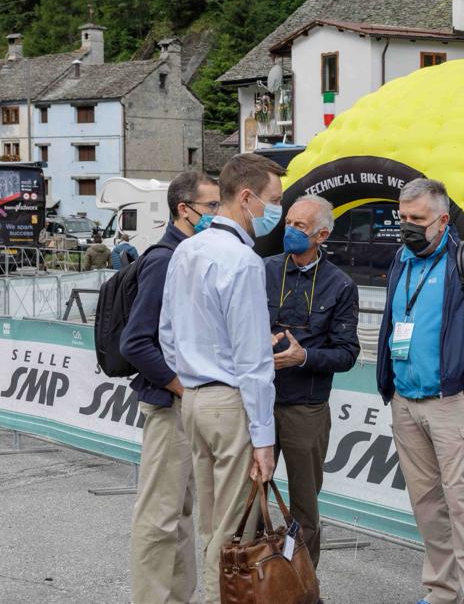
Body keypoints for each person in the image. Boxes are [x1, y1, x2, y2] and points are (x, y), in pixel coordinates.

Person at [376, 178, 464, 604]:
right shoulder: (401, 260)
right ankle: (441, 592)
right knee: (428, 508)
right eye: (402, 217)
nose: (407, 226)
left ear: (443, 220)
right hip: (406, 402)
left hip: (453, 403)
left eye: (417, 218)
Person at [159, 154, 284, 604]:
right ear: (247, 198)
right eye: (274, 200)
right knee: (233, 530)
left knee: (213, 521)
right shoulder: (243, 261)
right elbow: (253, 360)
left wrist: (190, 375)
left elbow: (167, 332)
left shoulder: (187, 249)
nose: (277, 210)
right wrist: (264, 438)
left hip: (193, 397)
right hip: (230, 401)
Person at [121, 171, 219, 604]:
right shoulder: (166, 259)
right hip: (169, 404)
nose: (217, 213)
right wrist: (183, 389)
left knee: (180, 512)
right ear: (184, 209)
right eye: (211, 206)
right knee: (160, 516)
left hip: (180, 402)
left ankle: (177, 596)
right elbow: (135, 342)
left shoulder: (189, 253)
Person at [266, 194, 360, 568]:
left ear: (321, 235)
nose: (290, 230)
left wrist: (303, 357)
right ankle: (251, 580)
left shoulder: (340, 285)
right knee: (248, 496)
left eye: (300, 226)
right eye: (288, 222)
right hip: (258, 401)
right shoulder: (263, 270)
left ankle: (301, 582)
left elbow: (347, 353)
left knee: (304, 505)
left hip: (306, 408)